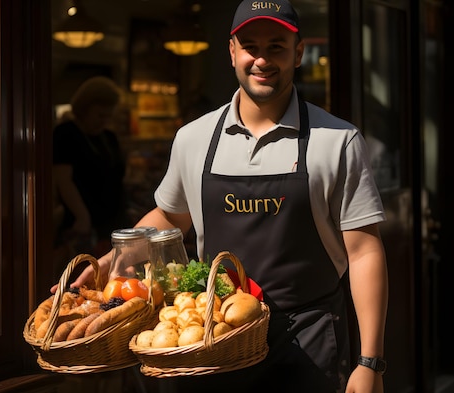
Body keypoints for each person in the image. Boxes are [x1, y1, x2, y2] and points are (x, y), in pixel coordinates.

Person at [57, 2, 388, 392]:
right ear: (232, 52)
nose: (262, 59)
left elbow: (364, 252)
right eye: (250, 46)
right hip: (211, 339)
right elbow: (170, 216)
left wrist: (370, 363)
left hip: (307, 342)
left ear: (299, 52)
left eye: (277, 47)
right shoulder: (194, 138)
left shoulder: (337, 141)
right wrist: (111, 260)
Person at [52, 76, 127, 277]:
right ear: (85, 108)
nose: (104, 121)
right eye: (100, 115)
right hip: (82, 223)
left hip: (112, 221)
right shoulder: (65, 133)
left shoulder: (108, 137)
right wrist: (81, 216)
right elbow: (62, 179)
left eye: (108, 116)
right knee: (81, 277)